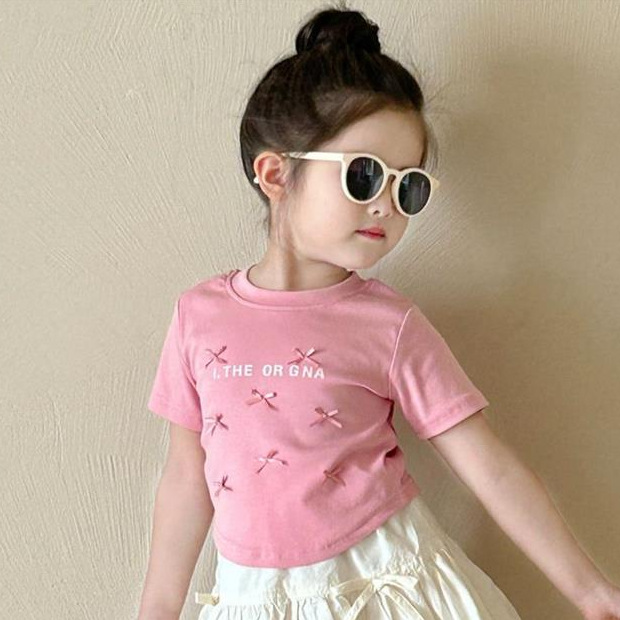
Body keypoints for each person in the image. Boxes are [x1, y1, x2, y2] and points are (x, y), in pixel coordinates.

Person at [138, 3, 620, 619]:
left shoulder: (390, 326)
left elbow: (486, 464)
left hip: (388, 588)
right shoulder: (198, 318)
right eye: (364, 176)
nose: (386, 205)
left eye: (408, 185)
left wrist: (591, 592)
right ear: (276, 174)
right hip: (252, 596)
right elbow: (187, 476)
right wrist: (157, 608)